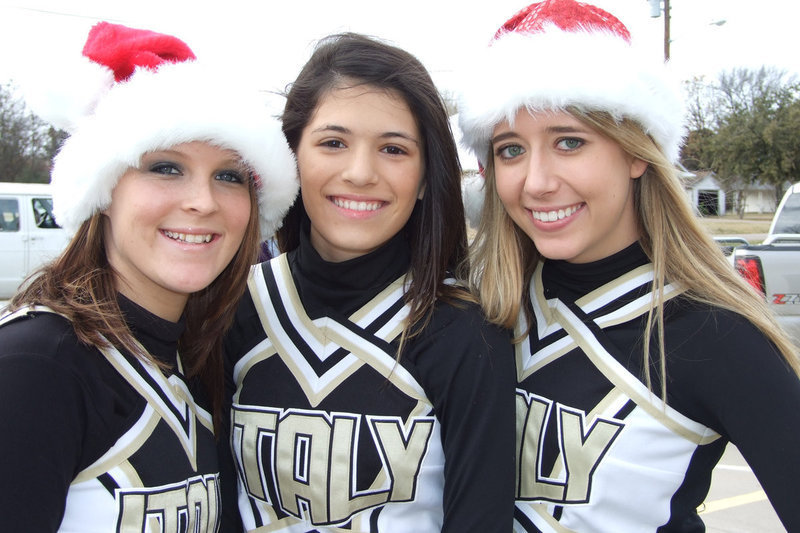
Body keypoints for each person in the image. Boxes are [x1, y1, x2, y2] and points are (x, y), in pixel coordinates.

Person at [457, 1, 800, 531]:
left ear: (637, 152)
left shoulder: (714, 333)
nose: (536, 181)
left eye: (569, 142)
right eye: (510, 150)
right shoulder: (481, 309)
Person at [0, 22, 297, 532]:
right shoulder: (37, 365)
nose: (202, 201)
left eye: (228, 176)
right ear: (105, 190)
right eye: (166, 167)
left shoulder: (202, 358)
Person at [221, 32, 516, 532]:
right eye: (333, 143)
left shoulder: (466, 333)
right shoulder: (232, 305)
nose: (360, 173)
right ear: (290, 157)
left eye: (394, 149)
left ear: (426, 177)